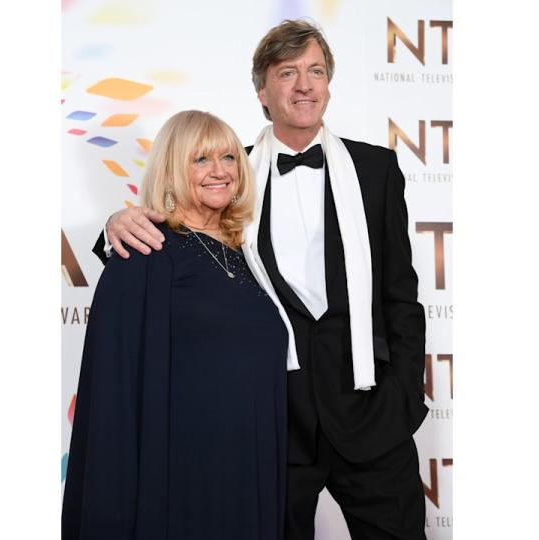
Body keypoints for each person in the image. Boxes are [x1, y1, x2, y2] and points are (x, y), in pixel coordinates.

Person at [99, 20, 429, 540]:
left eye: (316, 71)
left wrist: (404, 399)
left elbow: (401, 297)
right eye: (288, 73)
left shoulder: (377, 169)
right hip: (275, 427)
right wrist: (114, 226)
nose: (305, 85)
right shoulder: (234, 173)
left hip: (371, 418)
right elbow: (184, 237)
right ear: (262, 92)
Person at [62, 110, 289, 540]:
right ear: (171, 169)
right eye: (200, 160)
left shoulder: (247, 252)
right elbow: (114, 394)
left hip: (249, 469)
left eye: (228, 157)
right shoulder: (146, 252)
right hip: (183, 479)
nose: (219, 171)